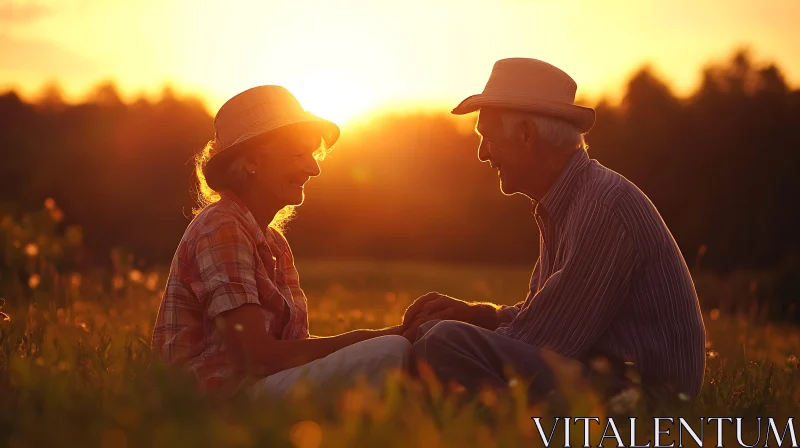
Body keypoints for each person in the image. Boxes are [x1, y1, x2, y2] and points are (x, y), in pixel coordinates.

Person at [403, 58, 707, 403]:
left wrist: (454, 332)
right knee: (438, 342)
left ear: (525, 134)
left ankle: (501, 422)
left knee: (442, 343)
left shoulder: (602, 207)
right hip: (611, 376)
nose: (482, 153)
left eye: (486, 136)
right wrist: (483, 315)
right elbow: (551, 312)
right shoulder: (567, 202)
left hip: (642, 394)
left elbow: (545, 341)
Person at [152, 85, 411, 399]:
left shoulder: (273, 244)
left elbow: (288, 349)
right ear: (251, 161)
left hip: (256, 384)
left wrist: (388, 335)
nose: (313, 168)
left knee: (394, 348)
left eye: (312, 154)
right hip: (220, 398)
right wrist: (386, 335)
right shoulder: (221, 227)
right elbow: (256, 357)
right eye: (297, 153)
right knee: (389, 352)